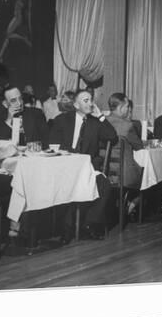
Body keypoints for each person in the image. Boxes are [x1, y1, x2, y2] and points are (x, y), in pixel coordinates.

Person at [49, 90, 118, 241]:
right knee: (65, 184)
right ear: (76, 104)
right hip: (65, 166)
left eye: (91, 100)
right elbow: (52, 144)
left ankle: (88, 225)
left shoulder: (95, 123)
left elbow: (112, 137)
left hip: (87, 168)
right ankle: (66, 228)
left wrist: (101, 116)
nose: (90, 103)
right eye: (85, 101)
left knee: (104, 185)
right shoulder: (62, 120)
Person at [106, 93, 144, 218]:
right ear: (121, 107)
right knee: (151, 176)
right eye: (127, 107)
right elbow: (139, 147)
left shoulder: (102, 123)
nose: (128, 110)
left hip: (105, 173)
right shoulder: (127, 126)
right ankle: (132, 204)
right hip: (124, 175)